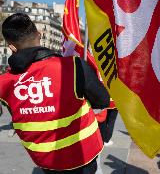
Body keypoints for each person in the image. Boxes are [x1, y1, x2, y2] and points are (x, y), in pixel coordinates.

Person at [0, 13, 110, 173]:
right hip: (83, 154)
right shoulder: (73, 66)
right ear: (39, 34)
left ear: (11, 47)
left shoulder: (5, 82)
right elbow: (103, 100)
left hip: (45, 160)